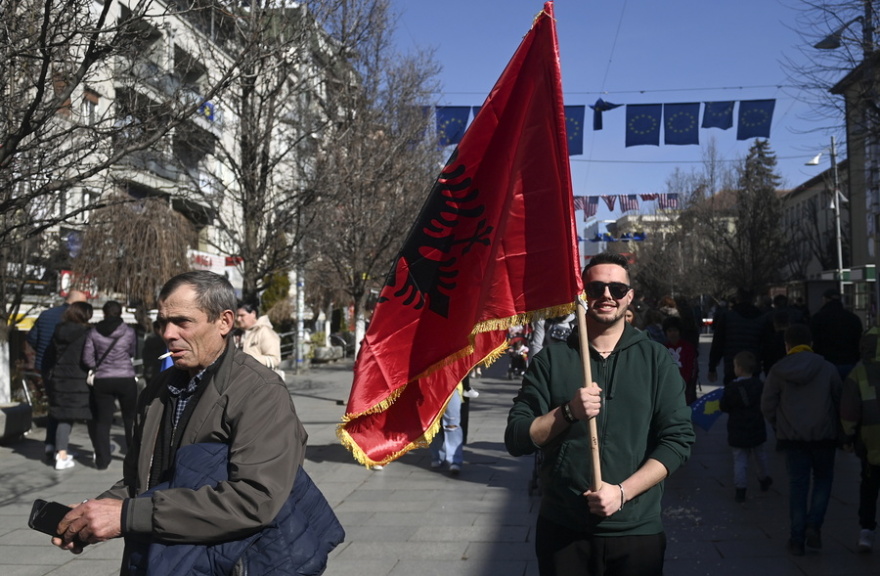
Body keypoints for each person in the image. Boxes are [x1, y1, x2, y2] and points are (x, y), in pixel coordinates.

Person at [52, 271, 310, 573]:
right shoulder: (156, 391)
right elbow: (142, 482)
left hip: (223, 563)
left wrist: (126, 516)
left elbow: (255, 499)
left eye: (182, 322)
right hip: (154, 559)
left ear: (224, 322)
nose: (168, 333)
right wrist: (92, 515)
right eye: (163, 322)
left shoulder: (260, 392)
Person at [505, 252, 694, 576]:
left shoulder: (656, 359)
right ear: (583, 295)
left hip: (637, 532)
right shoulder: (552, 360)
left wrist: (622, 493)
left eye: (617, 289)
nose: (607, 295)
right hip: (564, 531)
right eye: (596, 288)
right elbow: (517, 438)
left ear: (629, 297)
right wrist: (567, 413)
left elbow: (678, 441)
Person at [761, 323, 842, 556]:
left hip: (793, 438)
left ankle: (796, 539)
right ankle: (814, 525)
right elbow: (838, 400)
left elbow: (767, 405)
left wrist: (779, 426)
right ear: (811, 343)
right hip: (824, 436)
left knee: (798, 486)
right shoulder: (827, 368)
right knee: (823, 481)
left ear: (787, 345)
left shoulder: (778, 370)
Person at [26, 290, 88, 460]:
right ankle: (60, 449)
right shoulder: (75, 321)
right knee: (63, 409)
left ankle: (51, 444)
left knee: (54, 405)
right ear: (77, 305)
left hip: (45, 367)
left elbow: (31, 337)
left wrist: (41, 353)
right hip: (68, 371)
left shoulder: (46, 315)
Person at [82, 301, 138, 470]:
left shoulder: (93, 332)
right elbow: (132, 352)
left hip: (103, 379)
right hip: (126, 378)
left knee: (102, 421)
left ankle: (102, 460)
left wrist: (96, 367)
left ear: (104, 313)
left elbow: (87, 358)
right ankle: (134, 457)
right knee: (130, 419)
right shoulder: (129, 332)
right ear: (120, 313)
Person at [840, 326, 880, 553]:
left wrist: (847, 435)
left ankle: (867, 530)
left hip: (869, 440)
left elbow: (849, 409)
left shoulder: (859, 372)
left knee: (869, 486)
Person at [42, 301, 94, 470]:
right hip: (77, 378)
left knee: (59, 413)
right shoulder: (87, 333)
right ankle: (61, 455)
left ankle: (55, 446)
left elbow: (49, 354)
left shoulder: (58, 330)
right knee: (66, 417)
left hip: (58, 377)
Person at [719, 350, 772, 503]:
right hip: (756, 426)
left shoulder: (731, 388)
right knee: (760, 455)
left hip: (737, 428)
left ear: (739, 369)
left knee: (739, 459)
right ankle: (764, 479)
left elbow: (724, 406)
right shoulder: (759, 385)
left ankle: (740, 488)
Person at [708, 288, 768, 384]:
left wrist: (712, 366)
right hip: (752, 365)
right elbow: (766, 345)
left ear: (738, 299)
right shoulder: (762, 318)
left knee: (731, 393)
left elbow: (718, 343)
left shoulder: (728, 316)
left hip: (732, 365)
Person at [810, 288, 863, 380]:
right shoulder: (853, 318)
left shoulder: (818, 318)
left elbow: (814, 340)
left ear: (825, 300)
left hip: (825, 362)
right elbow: (859, 340)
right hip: (848, 361)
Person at [430, 383, 465, 476]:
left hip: (452, 384)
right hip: (428, 384)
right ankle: (438, 455)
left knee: (452, 424)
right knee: (432, 423)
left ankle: (455, 460)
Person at [235, 302, 282, 369]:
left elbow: (275, 360)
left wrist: (247, 359)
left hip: (261, 377)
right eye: (237, 316)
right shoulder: (236, 333)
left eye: (242, 315)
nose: (238, 319)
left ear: (253, 314)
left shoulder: (265, 332)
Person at [662, 315, 698, 405]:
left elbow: (690, 367)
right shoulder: (663, 348)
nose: (672, 333)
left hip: (686, 385)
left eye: (675, 330)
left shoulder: (688, 347)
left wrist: (684, 383)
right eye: (669, 331)